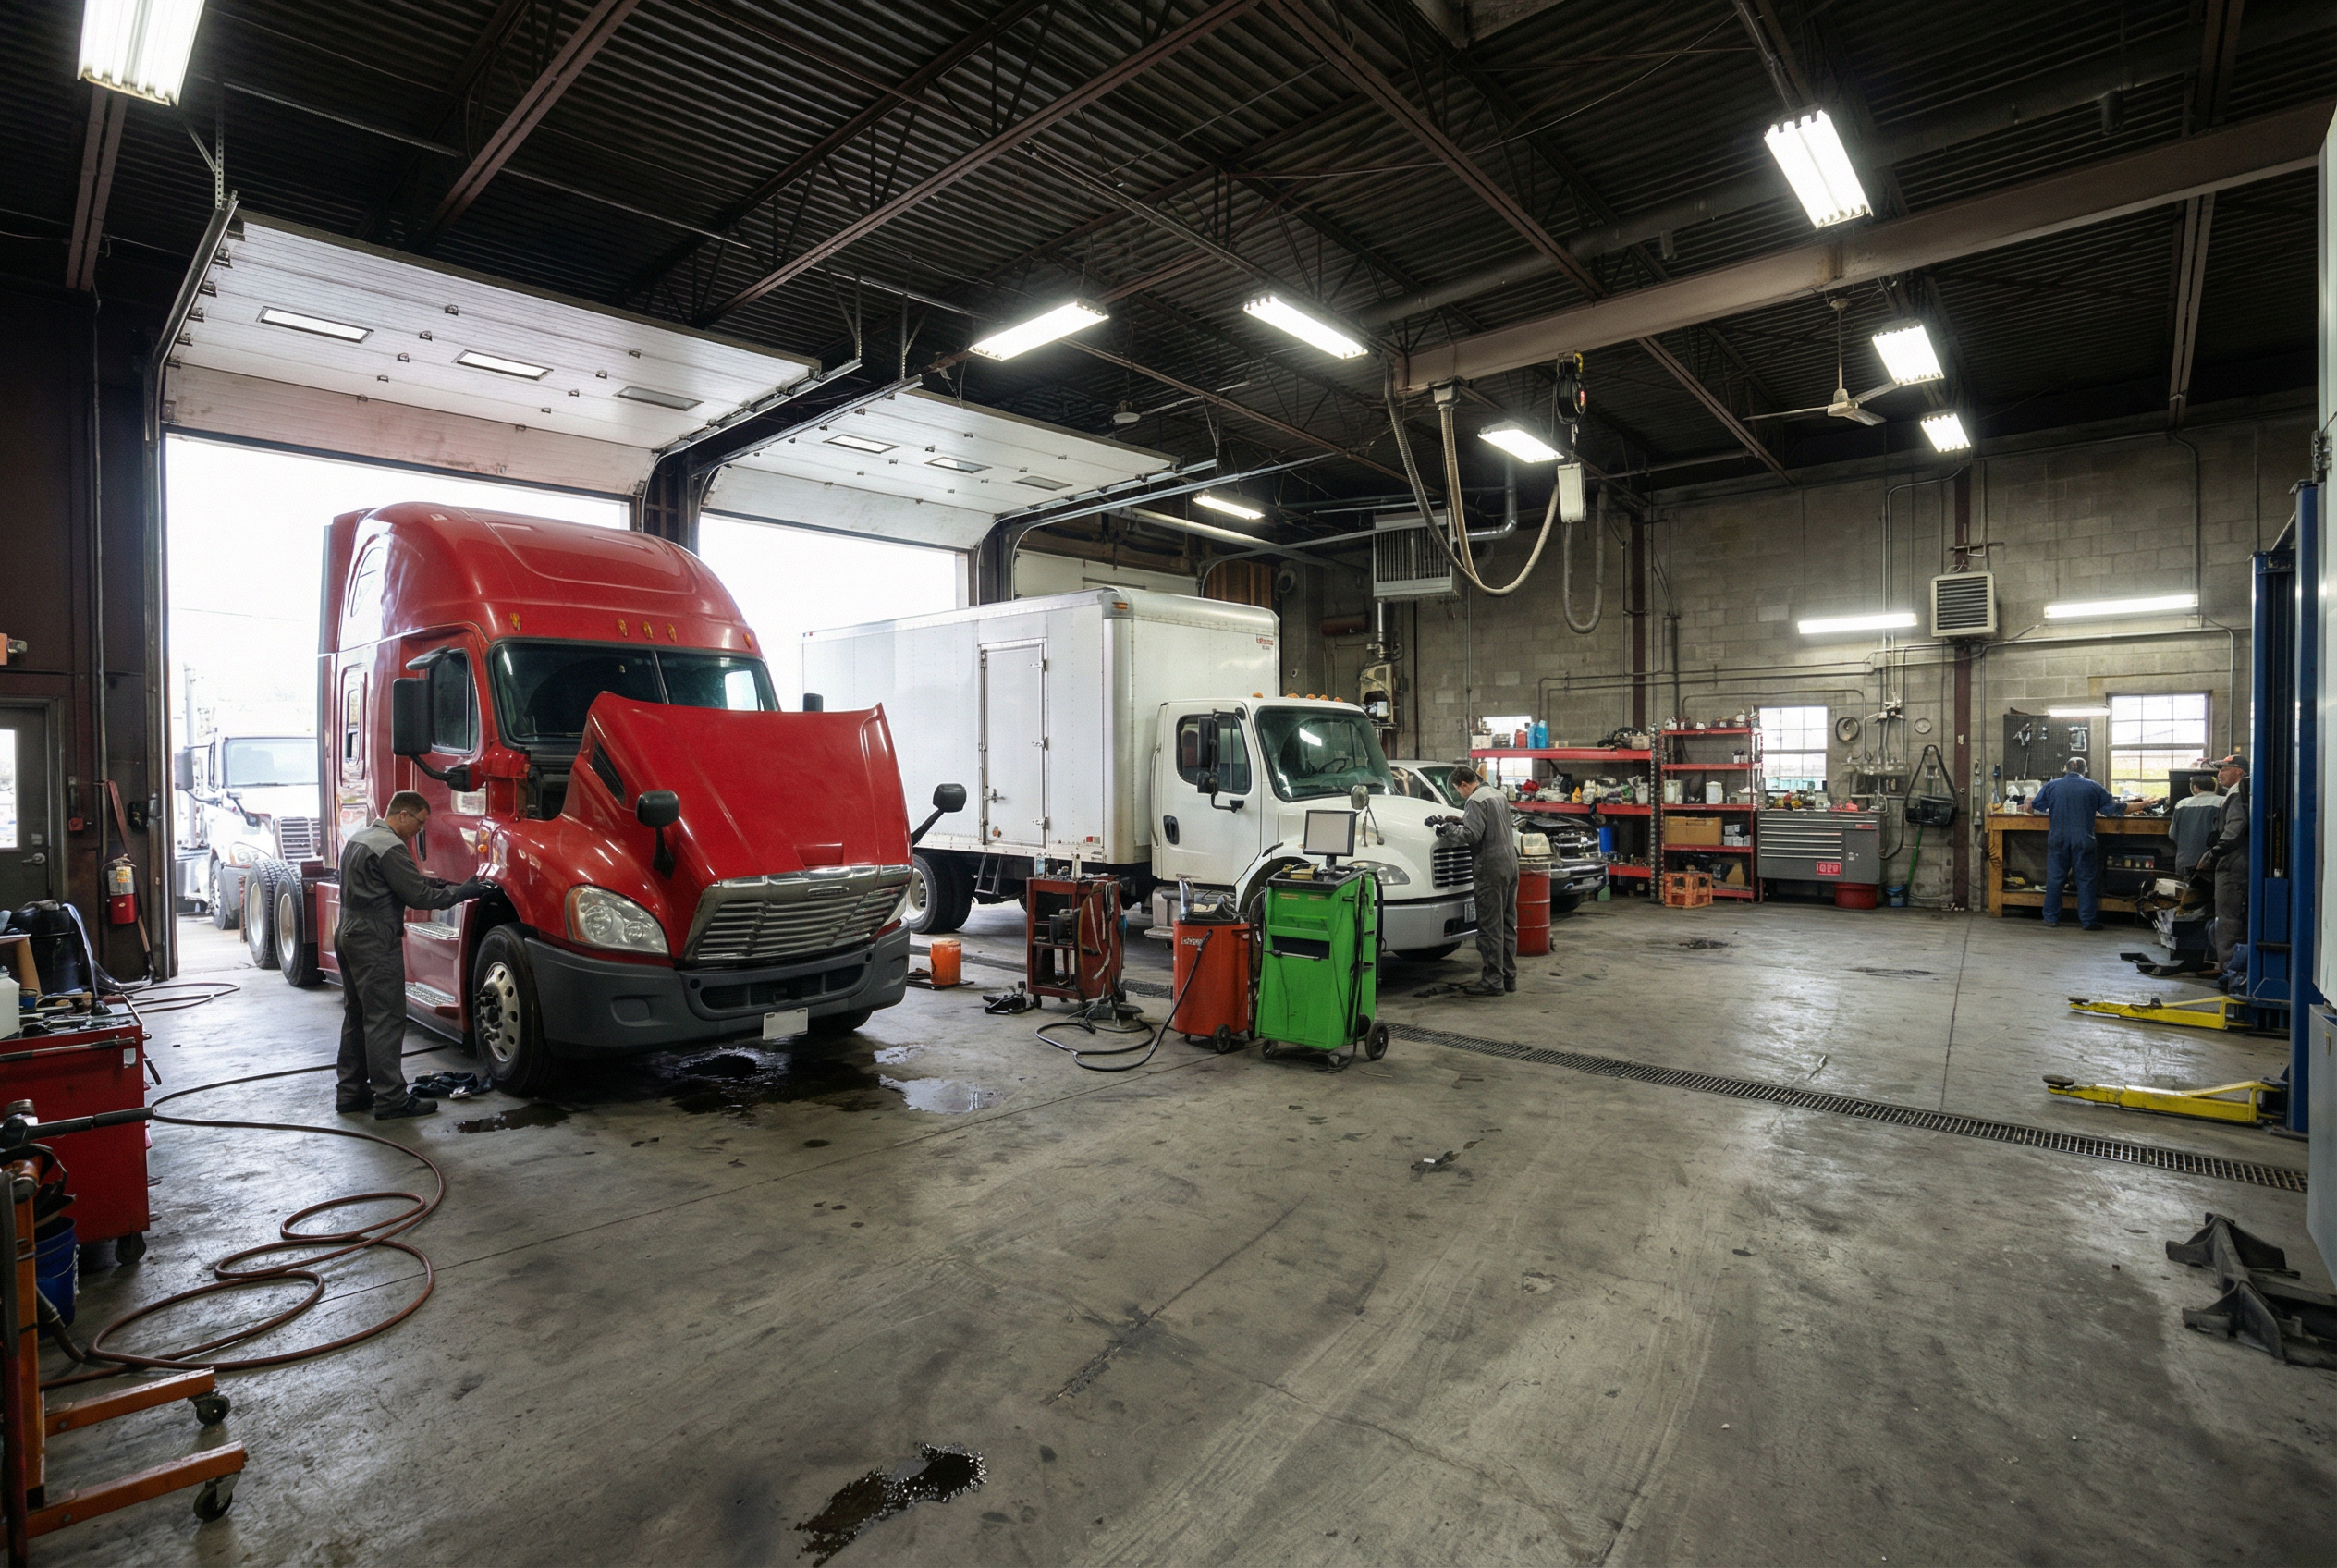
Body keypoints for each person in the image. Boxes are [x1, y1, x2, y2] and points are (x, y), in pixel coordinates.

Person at [337, 791, 490, 1119]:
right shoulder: (390, 847)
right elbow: (417, 895)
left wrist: (447, 884)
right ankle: (391, 1099)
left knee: (357, 1016)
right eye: (419, 823)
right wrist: (464, 892)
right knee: (385, 1019)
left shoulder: (361, 839)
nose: (419, 831)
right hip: (374, 939)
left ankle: (350, 1093)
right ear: (403, 815)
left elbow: (405, 882)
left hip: (348, 932)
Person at [1436, 766, 1517, 996]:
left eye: (1457, 790)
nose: (1460, 795)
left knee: (1490, 927)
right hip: (1510, 864)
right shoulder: (1497, 795)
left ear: (1463, 784)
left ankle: (1492, 981)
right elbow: (1489, 825)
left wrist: (1447, 828)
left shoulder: (1474, 800)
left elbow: (1471, 836)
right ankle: (1509, 978)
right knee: (1507, 924)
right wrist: (1460, 819)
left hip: (1490, 868)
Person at [2024, 756, 2123, 929]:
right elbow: (2111, 810)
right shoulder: (2093, 787)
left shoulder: (2052, 785)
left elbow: (2037, 806)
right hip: (2083, 839)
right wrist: (2143, 804)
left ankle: (2051, 917)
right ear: (2084, 770)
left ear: (2066, 769)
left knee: (2055, 878)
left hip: (2058, 838)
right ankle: (2088, 920)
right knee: (2085, 880)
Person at [2195, 754, 2250, 971]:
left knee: (2227, 919)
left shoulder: (2237, 794)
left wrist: (2213, 854)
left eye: (2225, 769)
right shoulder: (2237, 793)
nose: (2219, 773)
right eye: (2219, 769)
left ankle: (2229, 970)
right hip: (2237, 860)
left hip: (2232, 863)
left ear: (2239, 772)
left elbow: (2235, 829)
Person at [2167, 772, 2221, 875]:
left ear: (2195, 788)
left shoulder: (2181, 804)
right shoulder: (2223, 802)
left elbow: (2172, 834)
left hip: (2184, 861)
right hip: (2212, 862)